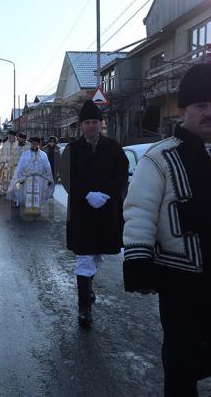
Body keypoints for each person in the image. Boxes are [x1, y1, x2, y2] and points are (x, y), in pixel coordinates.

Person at [123, 64, 211, 396]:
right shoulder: (160, 158)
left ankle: (181, 373)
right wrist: (139, 262)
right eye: (200, 106)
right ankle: (179, 378)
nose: (210, 112)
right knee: (181, 359)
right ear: (183, 111)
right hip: (181, 281)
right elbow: (139, 210)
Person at [59, 100, 128, 327]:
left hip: (106, 212)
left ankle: (88, 286)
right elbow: (67, 177)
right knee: (84, 256)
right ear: (81, 125)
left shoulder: (113, 148)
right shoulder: (72, 149)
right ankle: (84, 308)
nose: (91, 126)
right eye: (87, 122)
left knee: (97, 256)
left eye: (95, 122)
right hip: (82, 212)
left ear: (101, 123)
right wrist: (86, 195)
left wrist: (107, 194)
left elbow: (121, 175)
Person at [8, 137, 54, 212]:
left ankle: (37, 207)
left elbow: (47, 167)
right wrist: (20, 178)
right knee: (27, 193)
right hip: (27, 179)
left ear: (39, 144)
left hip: (40, 179)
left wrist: (49, 179)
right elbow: (20, 167)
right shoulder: (25, 154)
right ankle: (28, 207)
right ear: (31, 144)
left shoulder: (43, 155)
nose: (35, 145)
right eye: (33, 144)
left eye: (36, 144)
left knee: (38, 193)